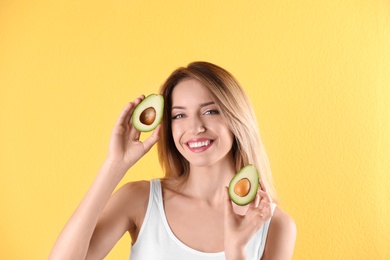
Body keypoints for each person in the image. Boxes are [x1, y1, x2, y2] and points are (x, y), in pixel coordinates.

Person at [49, 61, 296, 260]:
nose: (195, 127)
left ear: (236, 118)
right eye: (179, 115)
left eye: (210, 111)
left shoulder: (273, 224)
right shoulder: (139, 199)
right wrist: (115, 165)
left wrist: (236, 252)